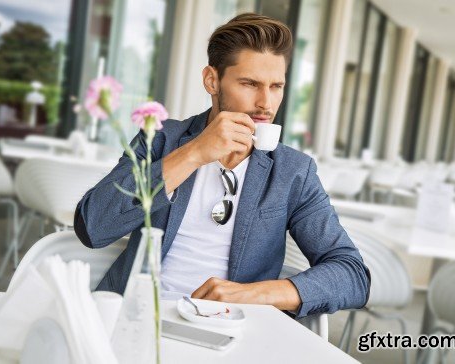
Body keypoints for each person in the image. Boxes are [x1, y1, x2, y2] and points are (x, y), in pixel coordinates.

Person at [74, 13, 370, 318]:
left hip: (231, 328)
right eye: (250, 83)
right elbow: (93, 227)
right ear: (212, 80)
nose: (266, 103)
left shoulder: (293, 172)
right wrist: (194, 153)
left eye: (276, 86)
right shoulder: (161, 139)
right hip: (133, 316)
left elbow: (352, 275)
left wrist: (252, 294)